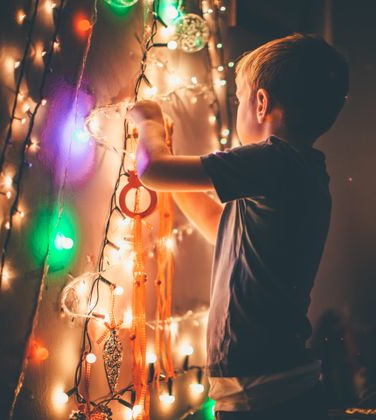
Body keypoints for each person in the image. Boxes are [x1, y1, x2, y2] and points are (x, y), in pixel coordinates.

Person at [128, 33, 349, 420]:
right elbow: (219, 225)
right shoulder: (302, 172)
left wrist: (147, 122)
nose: (240, 107)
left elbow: (152, 170)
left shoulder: (273, 159)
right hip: (275, 385)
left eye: (240, 98)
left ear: (260, 104)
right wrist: (172, 157)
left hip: (262, 392)